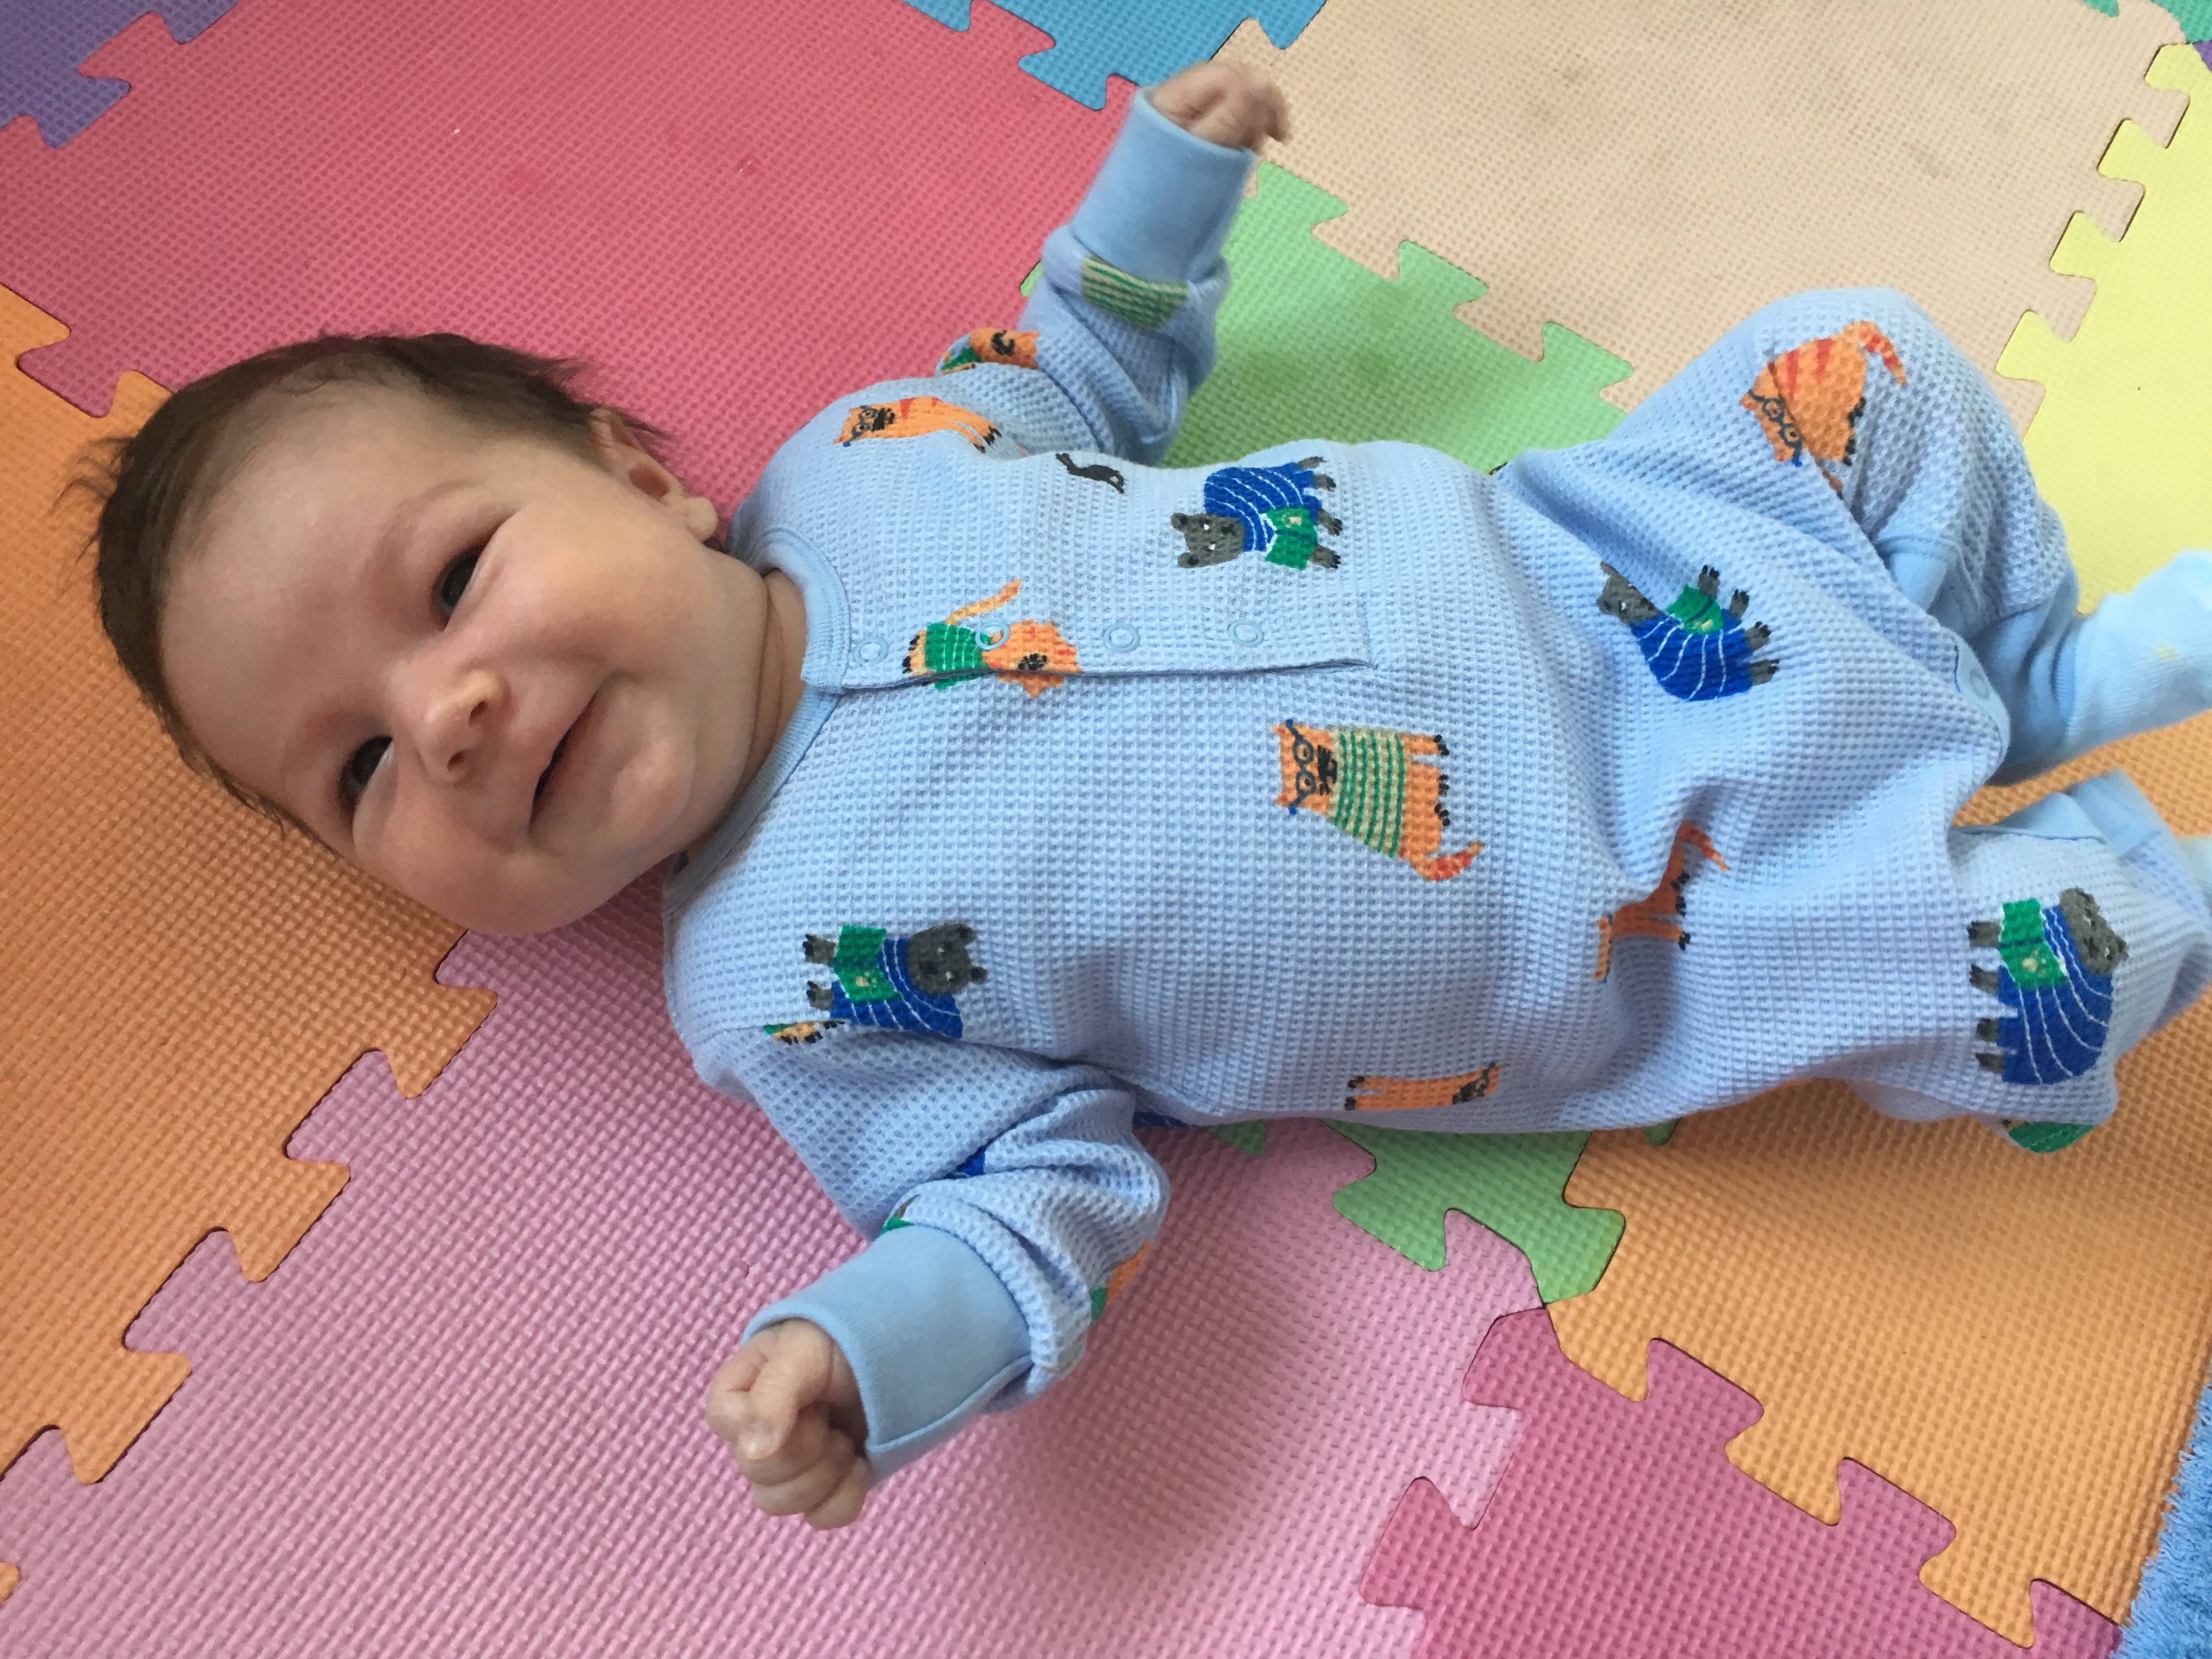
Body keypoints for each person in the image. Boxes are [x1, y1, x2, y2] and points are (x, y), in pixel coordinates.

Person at [83, 61, 2212, 1533]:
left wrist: (1161, 191)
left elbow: (1076, 368)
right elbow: (1013, 1196)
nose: (450, 714)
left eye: (453, 578)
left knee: (1859, 359)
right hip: (1632, 920)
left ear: (644, 478)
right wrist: (869, 1350)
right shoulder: (775, 989)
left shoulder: (871, 454)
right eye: (360, 766)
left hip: (1608, 567)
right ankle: (2045, 798)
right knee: (2058, 961)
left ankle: (2029, 670)